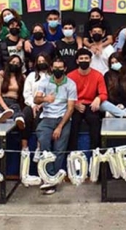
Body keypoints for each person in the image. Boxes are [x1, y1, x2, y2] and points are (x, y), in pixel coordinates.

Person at [34, 57, 77, 195]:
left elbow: (70, 109)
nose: (57, 70)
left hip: (63, 119)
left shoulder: (71, 84)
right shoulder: (45, 81)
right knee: (45, 145)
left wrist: (60, 127)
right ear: (51, 68)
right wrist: (46, 99)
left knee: (59, 150)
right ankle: (50, 178)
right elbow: (36, 98)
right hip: (46, 118)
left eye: (60, 68)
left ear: (64, 69)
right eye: (55, 67)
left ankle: (50, 182)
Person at [67, 49, 107, 151]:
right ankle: (72, 154)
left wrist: (98, 98)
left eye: (86, 58)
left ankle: (95, 152)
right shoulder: (70, 76)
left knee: (95, 121)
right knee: (73, 123)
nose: (84, 60)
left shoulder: (98, 75)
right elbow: (65, 94)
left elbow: (104, 93)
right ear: (77, 61)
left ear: (90, 60)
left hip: (91, 104)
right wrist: (75, 104)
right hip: (75, 105)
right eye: (81, 59)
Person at [0, 55, 30, 128]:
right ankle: (0, 117)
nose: (15, 64)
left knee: (17, 111)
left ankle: (19, 120)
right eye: (13, 62)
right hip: (1, 100)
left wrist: (9, 110)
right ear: (8, 63)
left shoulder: (22, 77)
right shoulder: (1, 76)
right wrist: (6, 109)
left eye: (17, 63)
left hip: (14, 101)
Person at [23, 54, 51, 152]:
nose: (41, 63)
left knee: (40, 117)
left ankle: (39, 148)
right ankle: (24, 148)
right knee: (25, 116)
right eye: (39, 62)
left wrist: (42, 104)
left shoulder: (52, 76)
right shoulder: (31, 76)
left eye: (43, 61)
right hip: (31, 104)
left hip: (47, 105)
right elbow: (27, 93)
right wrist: (33, 105)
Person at [100, 53, 126, 118]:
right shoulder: (107, 75)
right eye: (112, 63)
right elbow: (105, 92)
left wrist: (124, 104)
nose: (114, 64)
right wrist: (115, 105)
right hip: (112, 104)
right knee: (102, 104)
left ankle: (115, 113)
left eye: (116, 62)